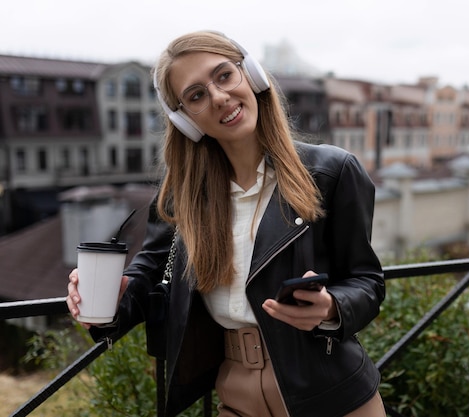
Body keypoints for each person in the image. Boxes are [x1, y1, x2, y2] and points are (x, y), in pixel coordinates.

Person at [66, 30, 385, 417]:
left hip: (333, 395)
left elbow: (366, 281)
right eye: (196, 95)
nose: (219, 97)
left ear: (250, 74)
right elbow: (149, 270)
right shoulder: (179, 197)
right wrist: (110, 298)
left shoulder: (331, 173)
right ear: (185, 120)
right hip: (236, 394)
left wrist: (332, 306)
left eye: (223, 76)